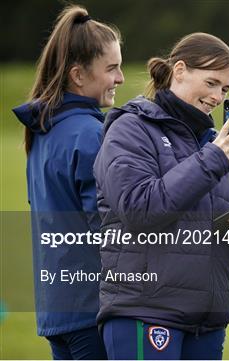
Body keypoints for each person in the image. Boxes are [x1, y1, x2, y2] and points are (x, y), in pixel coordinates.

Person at [93, 32, 229, 359]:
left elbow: (225, 242)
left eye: (225, 89)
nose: (218, 96)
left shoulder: (215, 146)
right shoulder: (131, 127)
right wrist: (213, 159)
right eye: (211, 83)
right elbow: (141, 209)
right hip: (146, 311)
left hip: (207, 322)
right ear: (179, 70)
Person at [12, 5, 124, 359]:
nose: (120, 78)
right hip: (92, 309)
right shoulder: (91, 133)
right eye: (112, 68)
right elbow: (107, 229)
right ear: (78, 75)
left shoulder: (44, 132)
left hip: (56, 309)